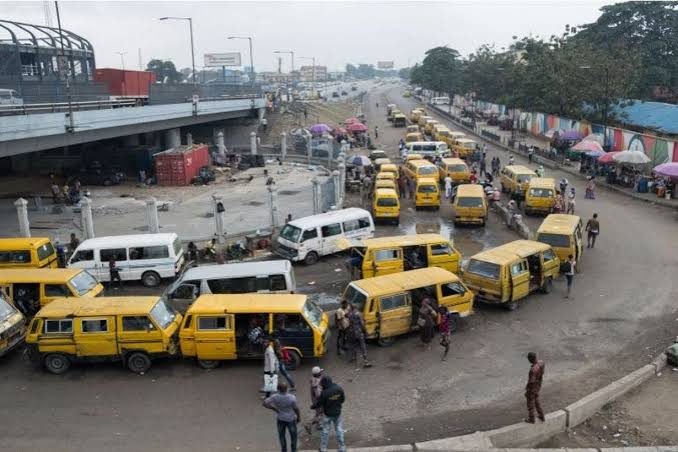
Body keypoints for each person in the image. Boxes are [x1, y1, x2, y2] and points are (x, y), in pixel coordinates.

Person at [311, 376, 346, 452]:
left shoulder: (324, 393)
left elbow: (319, 403)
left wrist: (313, 406)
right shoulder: (339, 388)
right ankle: (342, 448)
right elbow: (343, 400)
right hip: (337, 413)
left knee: (325, 431)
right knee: (339, 430)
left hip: (327, 415)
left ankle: (323, 448)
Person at [263, 381, 301, 452]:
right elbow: (296, 408)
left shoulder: (275, 397)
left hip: (280, 418)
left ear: (278, 389)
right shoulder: (291, 397)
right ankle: (293, 450)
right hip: (291, 419)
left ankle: (284, 450)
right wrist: (299, 417)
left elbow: (264, 403)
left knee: (282, 436)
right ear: (287, 388)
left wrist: (274, 408)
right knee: (293, 436)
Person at [525, 352, 545, 424]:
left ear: (530, 359)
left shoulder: (533, 370)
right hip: (538, 386)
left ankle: (531, 419)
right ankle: (541, 416)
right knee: (536, 401)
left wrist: (527, 390)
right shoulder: (541, 363)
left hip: (533, 388)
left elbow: (531, 382)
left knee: (530, 403)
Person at [304, 366, 324, 434]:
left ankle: (318, 424)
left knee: (318, 413)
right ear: (318, 374)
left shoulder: (313, 379)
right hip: (318, 400)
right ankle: (308, 424)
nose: (321, 373)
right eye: (320, 372)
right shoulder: (316, 382)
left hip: (315, 400)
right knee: (320, 413)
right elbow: (318, 394)